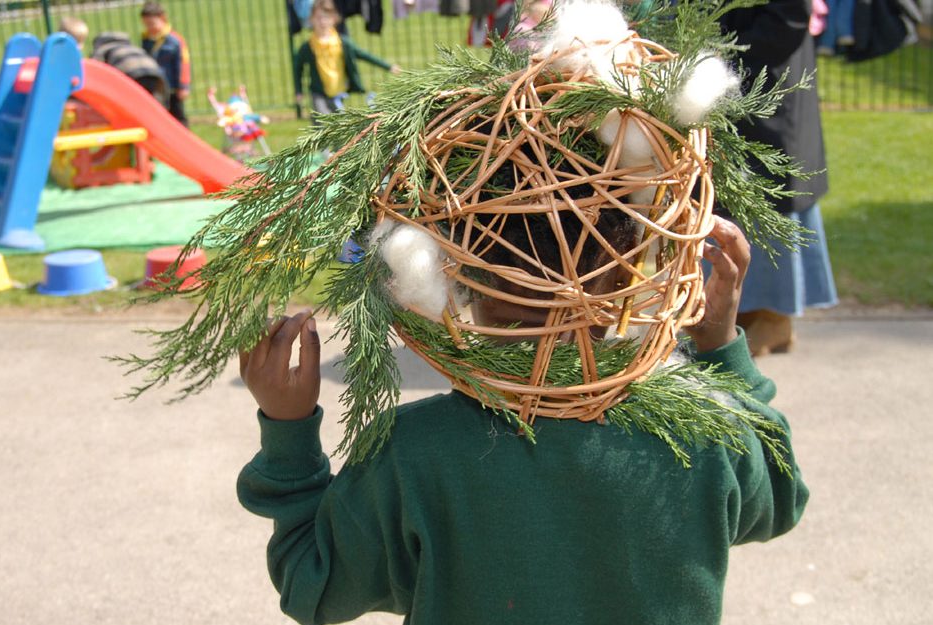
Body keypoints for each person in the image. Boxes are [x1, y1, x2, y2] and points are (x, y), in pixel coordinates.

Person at [236, 214, 808, 624]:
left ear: (454, 283)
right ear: (625, 277)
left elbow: (313, 587)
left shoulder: (415, 454)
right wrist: (722, 349)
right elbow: (780, 495)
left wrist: (288, 430)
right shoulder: (703, 432)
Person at [721, 0, 838, 357]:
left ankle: (775, 317)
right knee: (734, 195)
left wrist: (724, 56)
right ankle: (743, 312)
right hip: (739, 80)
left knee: (773, 194)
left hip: (766, 77)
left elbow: (790, 15)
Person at [293, 0, 400, 121]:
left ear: (334, 19)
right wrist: (298, 91)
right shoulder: (308, 47)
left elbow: (364, 55)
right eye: (318, 18)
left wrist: (388, 66)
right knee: (321, 121)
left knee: (339, 121)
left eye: (326, 18)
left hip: (339, 90)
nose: (322, 22)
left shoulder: (342, 43)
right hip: (319, 93)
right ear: (311, 19)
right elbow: (298, 68)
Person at [140, 1, 192, 126]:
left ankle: (183, 141)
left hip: (173, 86)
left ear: (162, 18)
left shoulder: (174, 40)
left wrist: (183, 86)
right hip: (157, 86)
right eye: (146, 24)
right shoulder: (146, 39)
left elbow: (184, 63)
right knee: (160, 117)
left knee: (178, 117)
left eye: (152, 24)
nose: (150, 28)